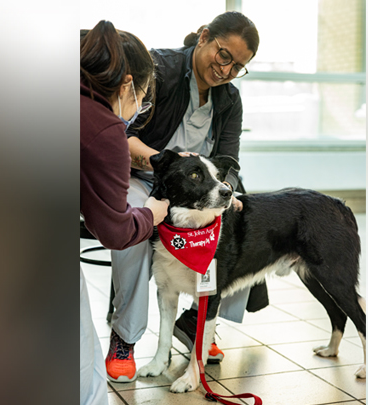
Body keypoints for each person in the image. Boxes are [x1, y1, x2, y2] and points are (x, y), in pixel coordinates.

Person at [106, 11, 269, 383]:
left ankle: (197, 321)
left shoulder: (229, 100)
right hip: (145, 176)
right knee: (134, 223)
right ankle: (125, 337)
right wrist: (162, 162)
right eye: (224, 55)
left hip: (196, 191)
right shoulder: (159, 70)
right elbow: (119, 133)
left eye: (238, 66)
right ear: (205, 37)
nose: (226, 70)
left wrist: (230, 191)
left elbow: (229, 161)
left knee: (240, 222)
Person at [80, 20, 169, 405]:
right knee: (85, 379)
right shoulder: (103, 128)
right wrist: (151, 213)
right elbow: (114, 231)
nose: (141, 106)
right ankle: (124, 340)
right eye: (144, 96)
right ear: (127, 84)